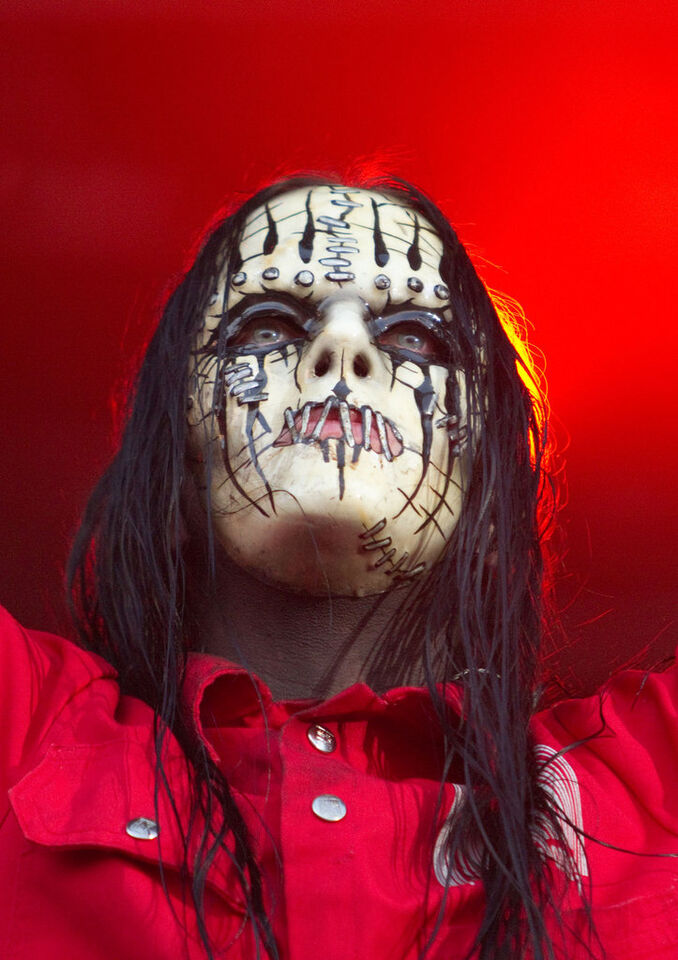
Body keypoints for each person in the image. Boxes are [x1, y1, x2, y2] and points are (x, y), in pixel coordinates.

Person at [1, 176, 676, 960]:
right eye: (266, 325)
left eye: (417, 339)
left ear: (492, 500)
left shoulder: (651, 782)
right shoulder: (27, 735)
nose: (343, 351)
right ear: (176, 476)